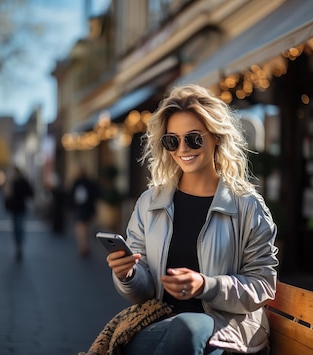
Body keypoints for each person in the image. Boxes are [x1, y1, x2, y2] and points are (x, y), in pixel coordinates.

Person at [103, 84, 279, 354]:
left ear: (216, 137)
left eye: (194, 138)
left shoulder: (248, 206)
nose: (183, 148)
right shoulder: (149, 203)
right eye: (172, 140)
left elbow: (263, 284)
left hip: (226, 331)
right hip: (161, 324)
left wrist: (206, 286)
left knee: (185, 329)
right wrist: (127, 273)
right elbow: (144, 291)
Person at [4, 166, 34, 261]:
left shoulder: (16, 182)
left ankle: (19, 244)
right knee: (18, 227)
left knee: (18, 227)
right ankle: (19, 244)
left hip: (18, 209)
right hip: (17, 209)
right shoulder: (14, 182)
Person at [70, 165, 99, 258]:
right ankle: (84, 245)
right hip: (87, 208)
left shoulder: (76, 183)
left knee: (81, 226)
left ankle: (83, 245)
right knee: (85, 226)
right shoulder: (88, 182)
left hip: (81, 208)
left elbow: (71, 196)